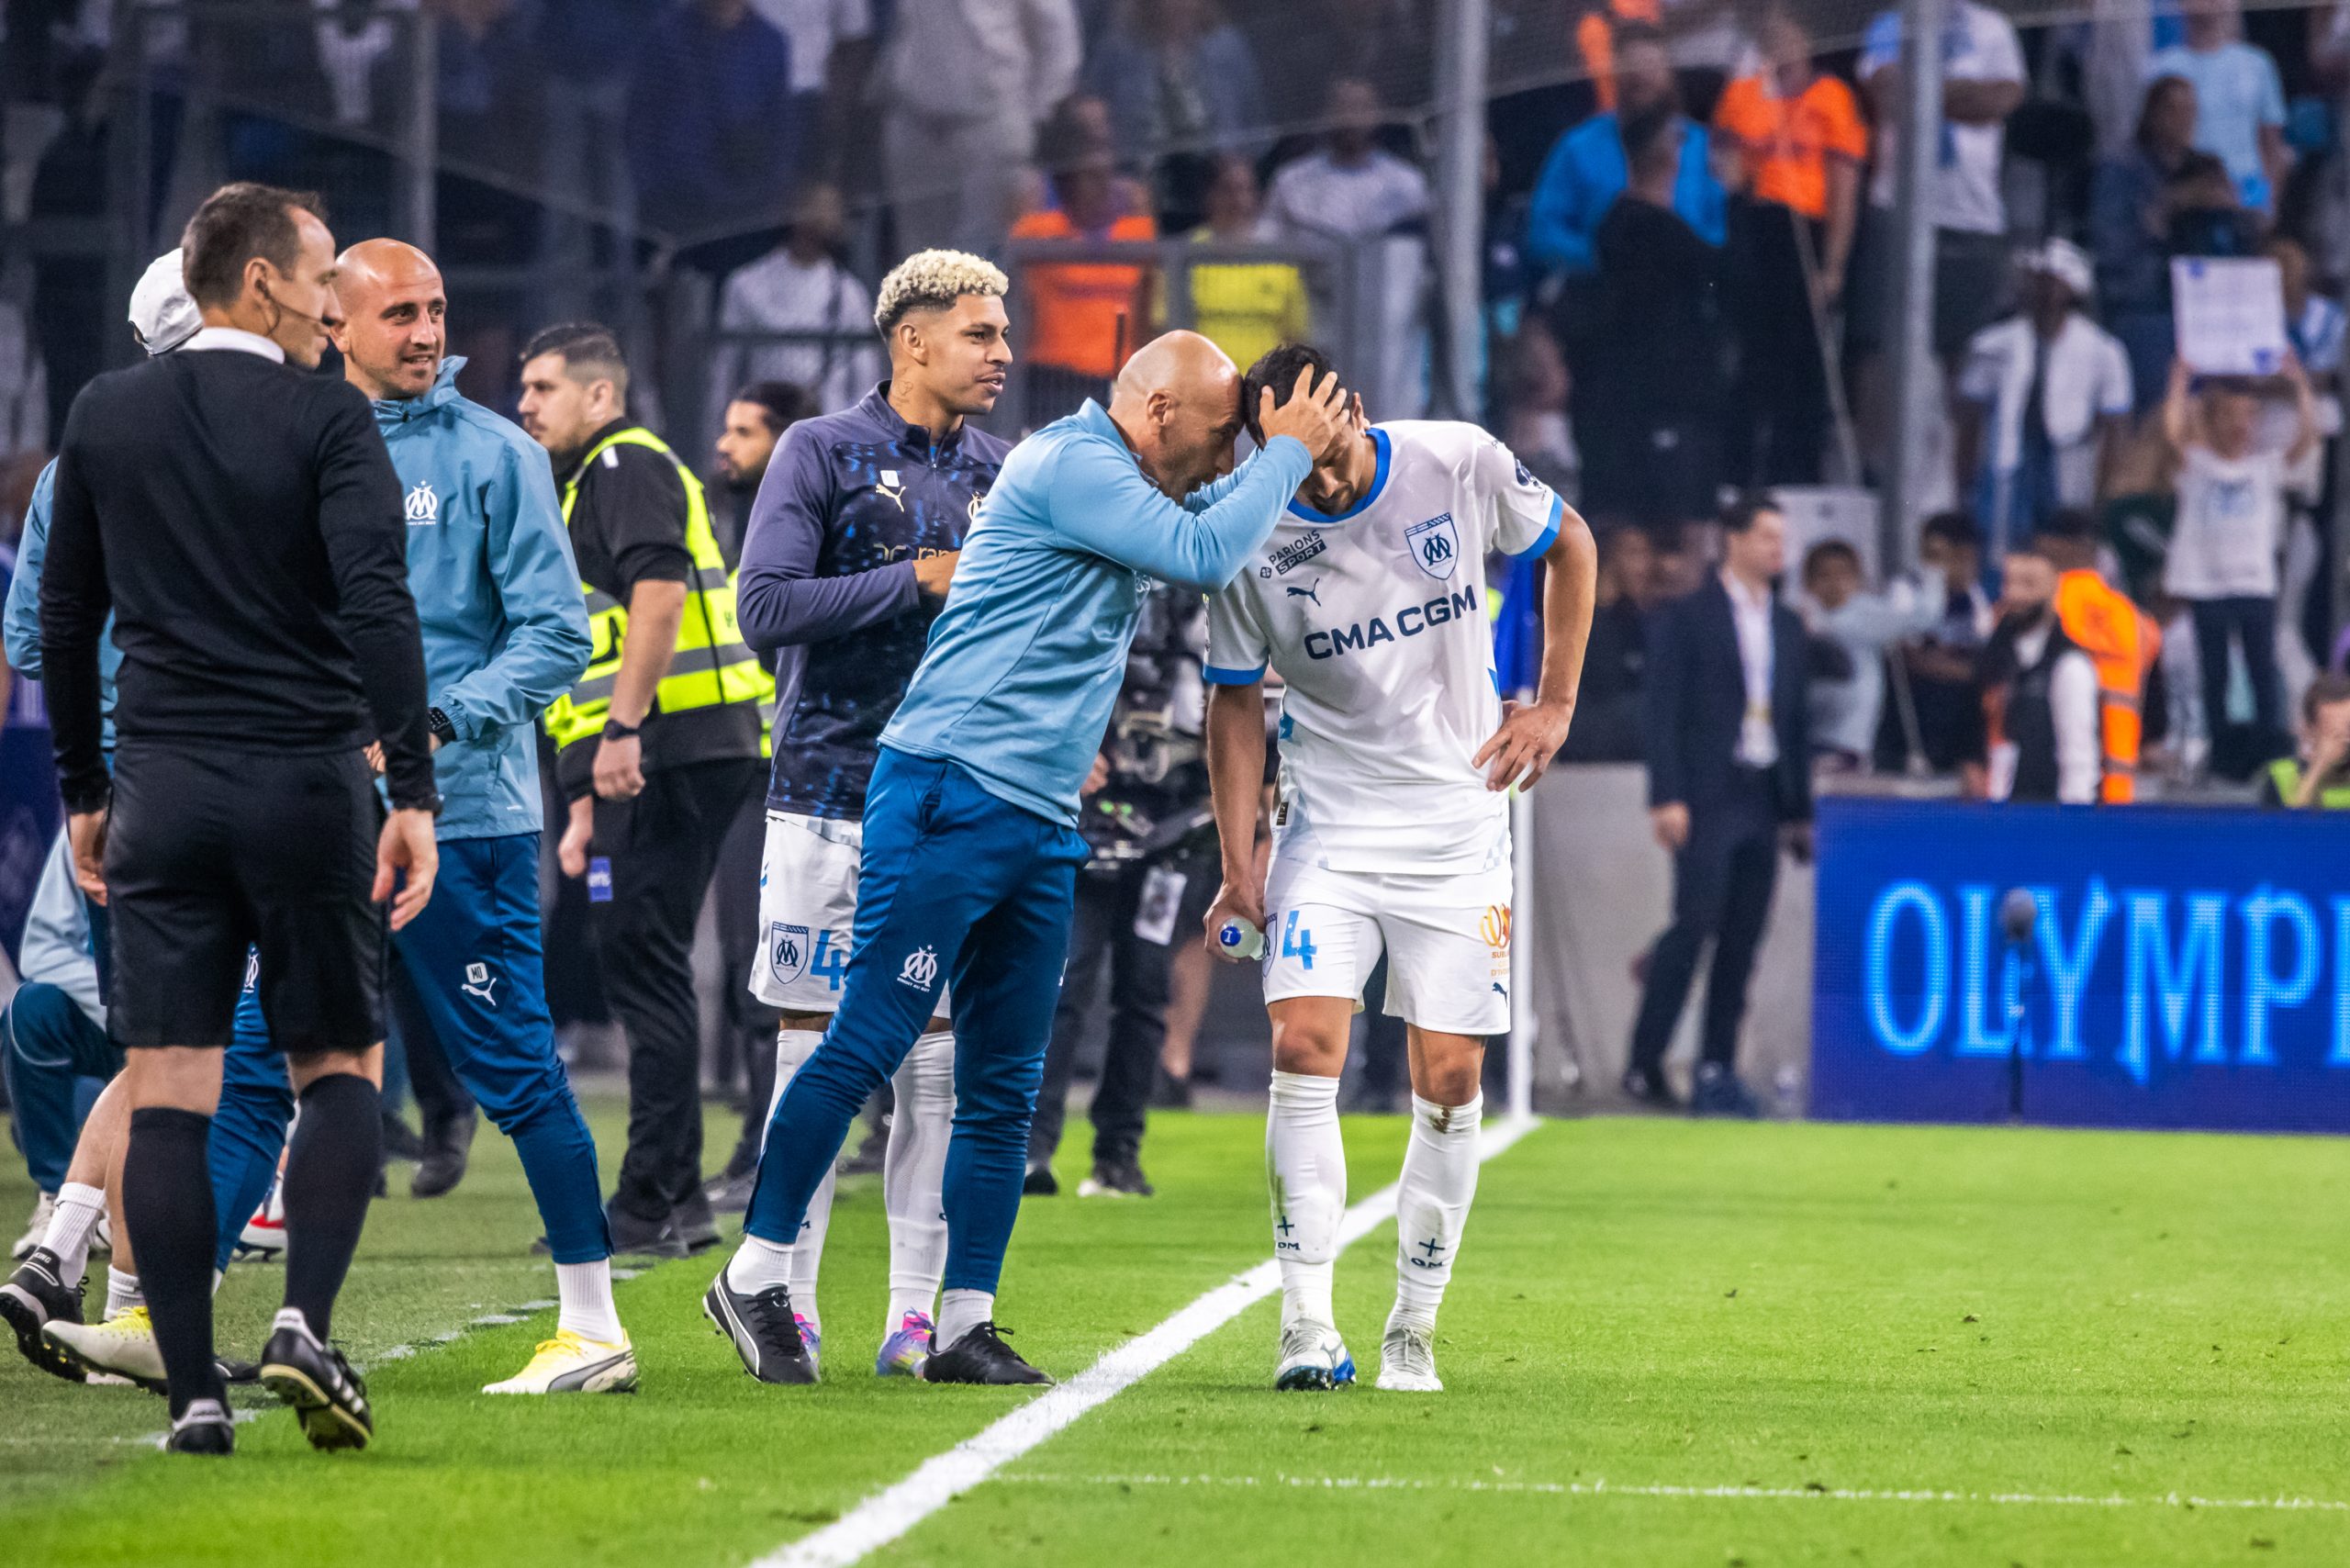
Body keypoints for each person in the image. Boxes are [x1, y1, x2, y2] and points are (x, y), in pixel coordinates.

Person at [706, 330, 1348, 1387]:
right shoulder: (1070, 462)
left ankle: (964, 1321)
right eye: (1226, 431)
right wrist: (1285, 450)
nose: (1237, 452)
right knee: (869, 1037)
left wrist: (1308, 459)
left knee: (1002, 1082)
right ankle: (756, 1272)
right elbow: (1206, 554)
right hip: (947, 785)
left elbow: (1220, 534)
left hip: (1042, 818)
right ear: (1157, 416)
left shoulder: (1138, 485)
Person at [39, 182, 441, 1454]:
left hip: (161, 786)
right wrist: (414, 793)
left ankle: (194, 1398)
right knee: (338, 1069)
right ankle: (302, 1329)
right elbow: (378, 606)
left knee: (168, 1093)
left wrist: (83, 796)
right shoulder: (328, 413)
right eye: (325, 279)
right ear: (261, 285)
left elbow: (62, 623)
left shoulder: (107, 412)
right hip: (307, 783)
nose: (337, 307)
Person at [1202, 342, 1596, 1394]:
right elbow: (1234, 704)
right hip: (1327, 825)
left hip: (1458, 825)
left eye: (1324, 449)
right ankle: (1303, 1323)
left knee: (1451, 1077)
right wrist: (1239, 863)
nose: (1315, 478)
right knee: (1303, 1043)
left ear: (1356, 408)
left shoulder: (1455, 461)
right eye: (1287, 457)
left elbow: (1572, 546)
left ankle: (1410, 1329)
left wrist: (1554, 701)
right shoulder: (1250, 536)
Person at [321, 240, 631, 1394]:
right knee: (253, 1056)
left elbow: (557, 635)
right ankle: (161, 1315)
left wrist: (433, 726)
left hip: (469, 816)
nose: (424, 332)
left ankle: (593, 1326)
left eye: (437, 309)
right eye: (398, 312)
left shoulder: (498, 453)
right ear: (334, 324)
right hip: (313, 814)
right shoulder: (302, 441)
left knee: (514, 1068)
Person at [1, 250, 296, 1393]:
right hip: (228, 774)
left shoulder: (86, 453)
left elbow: (34, 641)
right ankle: (125, 1297)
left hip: (119, 790)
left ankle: (59, 1244)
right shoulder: (270, 440)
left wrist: (92, 763)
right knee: (195, 1050)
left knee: (162, 1043)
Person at [724, 249, 1012, 1378]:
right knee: (816, 1045)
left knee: (933, 1059)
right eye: (979, 333)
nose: (1000, 352)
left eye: (1001, 333)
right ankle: (782, 1307)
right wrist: (917, 578)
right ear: (912, 340)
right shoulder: (820, 450)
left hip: (948, 798)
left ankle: (912, 1317)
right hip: (826, 790)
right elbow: (764, 607)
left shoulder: (1006, 469)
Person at [520, 322, 773, 1258]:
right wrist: (585, 798)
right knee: (640, 954)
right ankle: (676, 1198)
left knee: (644, 959)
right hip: (654, 752)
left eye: (545, 387)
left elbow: (659, 601)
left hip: (680, 744)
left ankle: (649, 1203)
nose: (527, 403)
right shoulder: (589, 480)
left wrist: (623, 733)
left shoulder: (624, 461)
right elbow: (595, 648)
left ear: (600, 395)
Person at [1624, 498, 1811, 1116]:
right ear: (1733, 540)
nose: (1777, 550)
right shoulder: (1691, 616)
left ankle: (1716, 1067)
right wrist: (1667, 794)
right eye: (1766, 537)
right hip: (1707, 793)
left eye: (1782, 539)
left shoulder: (1786, 623)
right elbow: (1663, 711)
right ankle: (1646, 1059)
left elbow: (1796, 717)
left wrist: (1798, 808)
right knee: (1694, 924)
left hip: (1762, 789)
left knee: (1742, 938)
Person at [1027, 583, 1214, 1201]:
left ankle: (1118, 1157)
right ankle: (1030, 1150)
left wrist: (1247, 794)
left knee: (1145, 989)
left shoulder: (1216, 567)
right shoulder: (1095, 559)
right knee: (1064, 983)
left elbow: (1247, 688)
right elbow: (1039, 664)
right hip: (1086, 822)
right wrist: (1063, 752)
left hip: (1174, 822)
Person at [1713, 2, 1866, 486]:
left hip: (1807, 235)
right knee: (1751, 361)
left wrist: (1834, 266)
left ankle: (1794, 471)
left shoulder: (1832, 99)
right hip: (1755, 234)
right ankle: (1739, 470)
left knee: (1802, 368)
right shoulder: (1744, 94)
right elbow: (1726, 169)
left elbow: (1844, 185)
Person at [2159, 355, 2315, 771]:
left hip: (2253, 582)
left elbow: (2305, 439)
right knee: (2216, 672)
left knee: (2261, 666)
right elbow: (2173, 433)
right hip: (2208, 582)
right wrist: (2181, 380)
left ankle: (2267, 745)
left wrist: (2298, 384)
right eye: (2231, 416)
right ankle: (2224, 752)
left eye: (2248, 416)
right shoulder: (2199, 464)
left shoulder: (2264, 467)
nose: (2240, 426)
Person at [1854, 0, 2025, 378]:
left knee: (1967, 360)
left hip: (1972, 215)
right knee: (1882, 353)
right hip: (1896, 209)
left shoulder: (1992, 28)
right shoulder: (1889, 24)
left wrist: (1922, 85)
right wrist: (1960, 92)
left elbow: (2000, 99)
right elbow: (1885, 91)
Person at [1579, 106, 1728, 529]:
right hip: (1661, 405)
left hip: (1651, 404)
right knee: (1668, 527)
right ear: (1667, 154)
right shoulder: (1647, 231)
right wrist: (1734, 196)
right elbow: (1729, 276)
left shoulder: (1622, 224)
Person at [1953, 240, 2134, 554]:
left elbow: (2115, 428)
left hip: (2071, 466)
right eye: (2037, 283)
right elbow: (1969, 422)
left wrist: (2104, 497)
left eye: (2053, 284)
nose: (2045, 293)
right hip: (2007, 468)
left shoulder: (2104, 351)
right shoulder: (1992, 346)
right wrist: (1965, 486)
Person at [877, 0, 1081, 256]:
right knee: (919, 261)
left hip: (989, 124)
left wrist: (1036, 117)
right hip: (916, 119)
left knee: (985, 261)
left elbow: (1058, 35)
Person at [1526, 24, 1725, 279]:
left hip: (1687, 293)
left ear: (1669, 75)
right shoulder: (1578, 146)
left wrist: (1685, 255)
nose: (1642, 79)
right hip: (1604, 298)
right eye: (1632, 72)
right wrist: (1604, 257)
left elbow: (1722, 226)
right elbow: (1543, 232)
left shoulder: (1701, 146)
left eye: (1651, 70)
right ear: (1615, 74)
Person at [1008, 133, 1158, 425]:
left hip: (1118, 379)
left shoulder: (1136, 233)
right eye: (1089, 177)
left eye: (1106, 176)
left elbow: (1146, 314)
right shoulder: (1039, 232)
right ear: (1066, 183)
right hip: (1053, 380)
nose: (1101, 186)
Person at [623, 0, 796, 250]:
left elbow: (782, 129)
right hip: (675, 204)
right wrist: (651, 192)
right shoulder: (665, 37)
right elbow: (641, 121)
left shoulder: (770, 42)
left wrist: (770, 195)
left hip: (746, 210)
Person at [708, 185, 881, 423]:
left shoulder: (849, 294)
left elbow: (865, 381)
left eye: (829, 209)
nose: (821, 217)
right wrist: (719, 433)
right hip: (764, 427)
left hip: (827, 434)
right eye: (814, 207)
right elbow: (724, 373)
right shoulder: (747, 284)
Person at [2091, 75, 2199, 409]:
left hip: (2198, 307)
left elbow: (2251, 211)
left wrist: (2233, 205)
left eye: (2190, 111)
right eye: (2173, 110)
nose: (2183, 120)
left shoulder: (2205, 168)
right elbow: (2110, 246)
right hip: (2142, 306)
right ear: (2152, 114)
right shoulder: (2120, 171)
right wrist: (2167, 205)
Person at [1799, 539, 1937, 770]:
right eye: (1824, 576)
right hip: (1807, 738)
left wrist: (1932, 576)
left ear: (1858, 580)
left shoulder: (1862, 616)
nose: (1835, 584)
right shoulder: (1798, 620)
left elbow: (1925, 618)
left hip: (1845, 745)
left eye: (1843, 575)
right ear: (1809, 583)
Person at [1981, 542, 2102, 803]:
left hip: (2041, 812)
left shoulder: (2068, 665)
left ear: (2052, 589)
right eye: (2009, 583)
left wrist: (2074, 822)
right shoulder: (1994, 656)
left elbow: (2078, 758)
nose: (2014, 594)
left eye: (2028, 584)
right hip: (1991, 812)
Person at [2147, 0, 2288, 215]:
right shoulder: (2161, 68)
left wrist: (2260, 206)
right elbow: (2153, 145)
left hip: (2247, 202)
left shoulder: (2257, 64)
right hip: (2187, 203)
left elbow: (2271, 147)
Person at [1185, 152, 1310, 375]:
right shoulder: (1186, 255)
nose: (1238, 200)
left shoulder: (1277, 258)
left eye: (1245, 190)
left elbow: (1296, 337)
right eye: (1228, 190)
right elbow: (1163, 330)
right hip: (1203, 389)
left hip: (1264, 391)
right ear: (1209, 196)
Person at [1561, 522, 1662, 763]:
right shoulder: (1576, 622)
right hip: (1584, 760)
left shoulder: (1639, 621)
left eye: (1647, 553)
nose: (1645, 565)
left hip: (1632, 762)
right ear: (1608, 556)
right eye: (1634, 553)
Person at [712, 380, 819, 564]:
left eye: (743, 433)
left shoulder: (812, 526)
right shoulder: (775, 517)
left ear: (788, 440)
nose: (723, 445)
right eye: (727, 430)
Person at [2259, 672, 2350, 806]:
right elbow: (2289, 824)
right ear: (2310, 729)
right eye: (2331, 731)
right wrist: (2318, 767)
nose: (2343, 738)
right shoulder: (2281, 775)